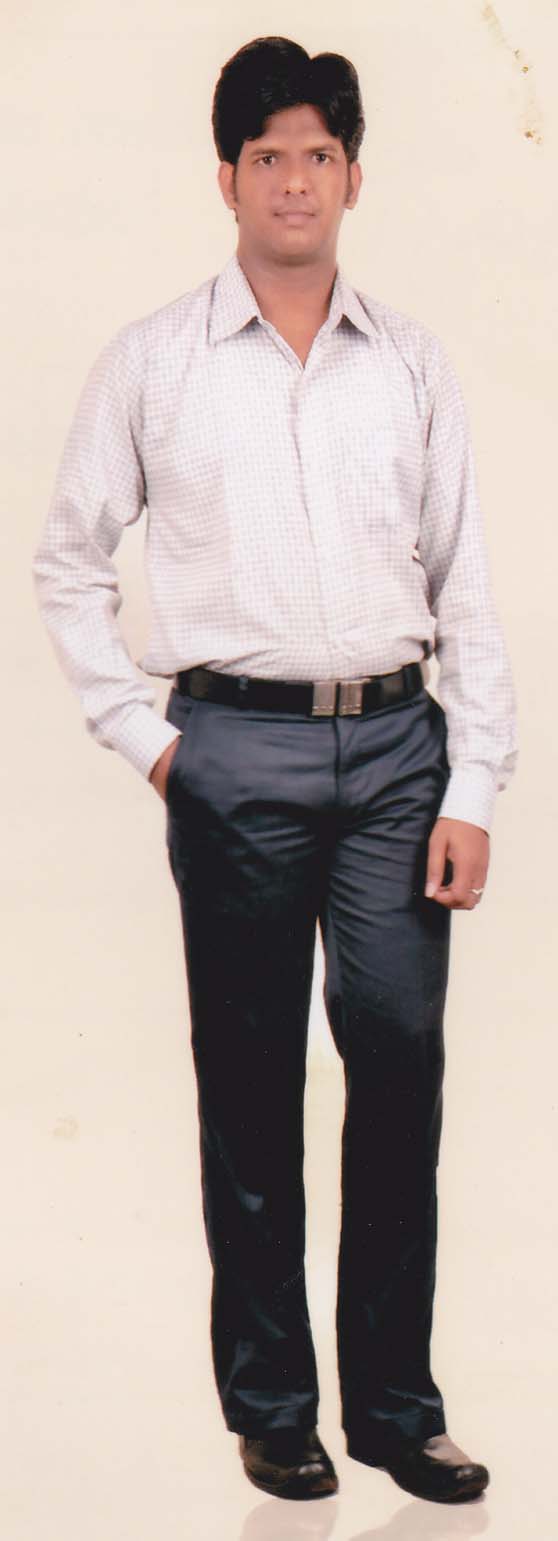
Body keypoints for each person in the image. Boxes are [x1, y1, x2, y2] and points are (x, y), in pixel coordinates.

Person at [32, 35, 516, 1507]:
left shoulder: (410, 362)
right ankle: (273, 1407)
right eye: (267, 156)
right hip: (230, 750)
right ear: (227, 179)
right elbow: (66, 563)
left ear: (354, 178)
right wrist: (153, 740)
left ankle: (397, 1409)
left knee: (400, 1065)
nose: (293, 179)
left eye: (318, 154)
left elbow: (465, 586)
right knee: (248, 1080)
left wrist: (472, 786)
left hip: (398, 755)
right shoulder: (155, 362)